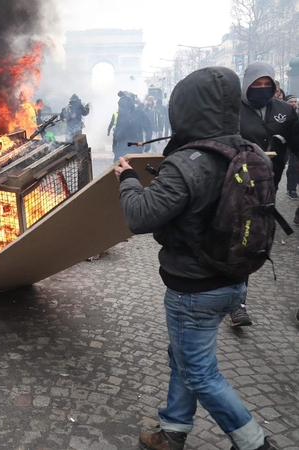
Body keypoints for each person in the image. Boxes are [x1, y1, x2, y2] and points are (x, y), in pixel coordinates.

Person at [116, 66, 276, 450]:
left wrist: (127, 179)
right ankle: (173, 430)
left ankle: (254, 443)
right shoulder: (253, 152)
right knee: (182, 357)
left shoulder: (187, 163)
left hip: (194, 288)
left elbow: (140, 216)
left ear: (183, 109)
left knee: (200, 373)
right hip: (236, 278)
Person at [231, 61, 299, 327]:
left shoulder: (285, 112)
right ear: (246, 84)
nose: (261, 89)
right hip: (236, 187)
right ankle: (238, 303)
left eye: (266, 84)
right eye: (256, 84)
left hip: (270, 186)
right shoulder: (231, 110)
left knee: (257, 242)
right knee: (240, 241)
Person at [109, 93, 144, 160]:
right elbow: (117, 130)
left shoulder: (138, 113)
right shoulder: (120, 114)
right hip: (122, 145)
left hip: (134, 144)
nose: (121, 108)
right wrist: (115, 145)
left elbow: (144, 128)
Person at [284, 95, 298, 199]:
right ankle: (291, 189)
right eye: (291, 102)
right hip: (285, 143)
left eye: (295, 101)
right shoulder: (284, 114)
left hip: (295, 144)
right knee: (292, 166)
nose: (293, 103)